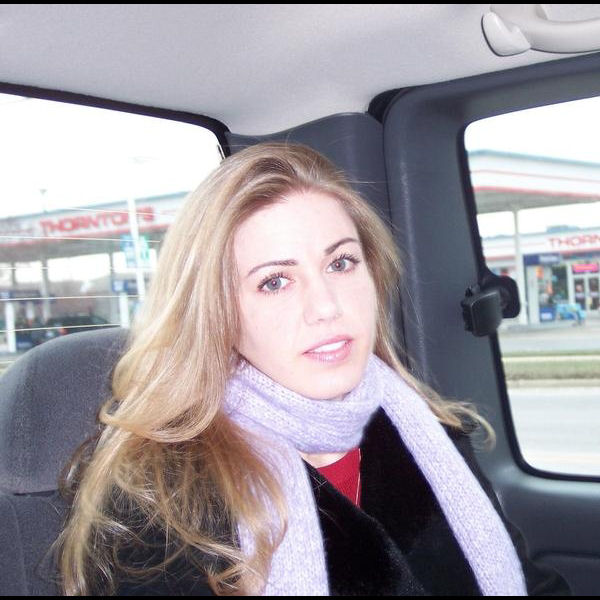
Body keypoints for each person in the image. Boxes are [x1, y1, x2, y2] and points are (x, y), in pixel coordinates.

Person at [56, 142, 569, 596]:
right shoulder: (164, 500)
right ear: (217, 314)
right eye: (275, 281)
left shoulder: (432, 433)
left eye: (341, 263)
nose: (326, 306)